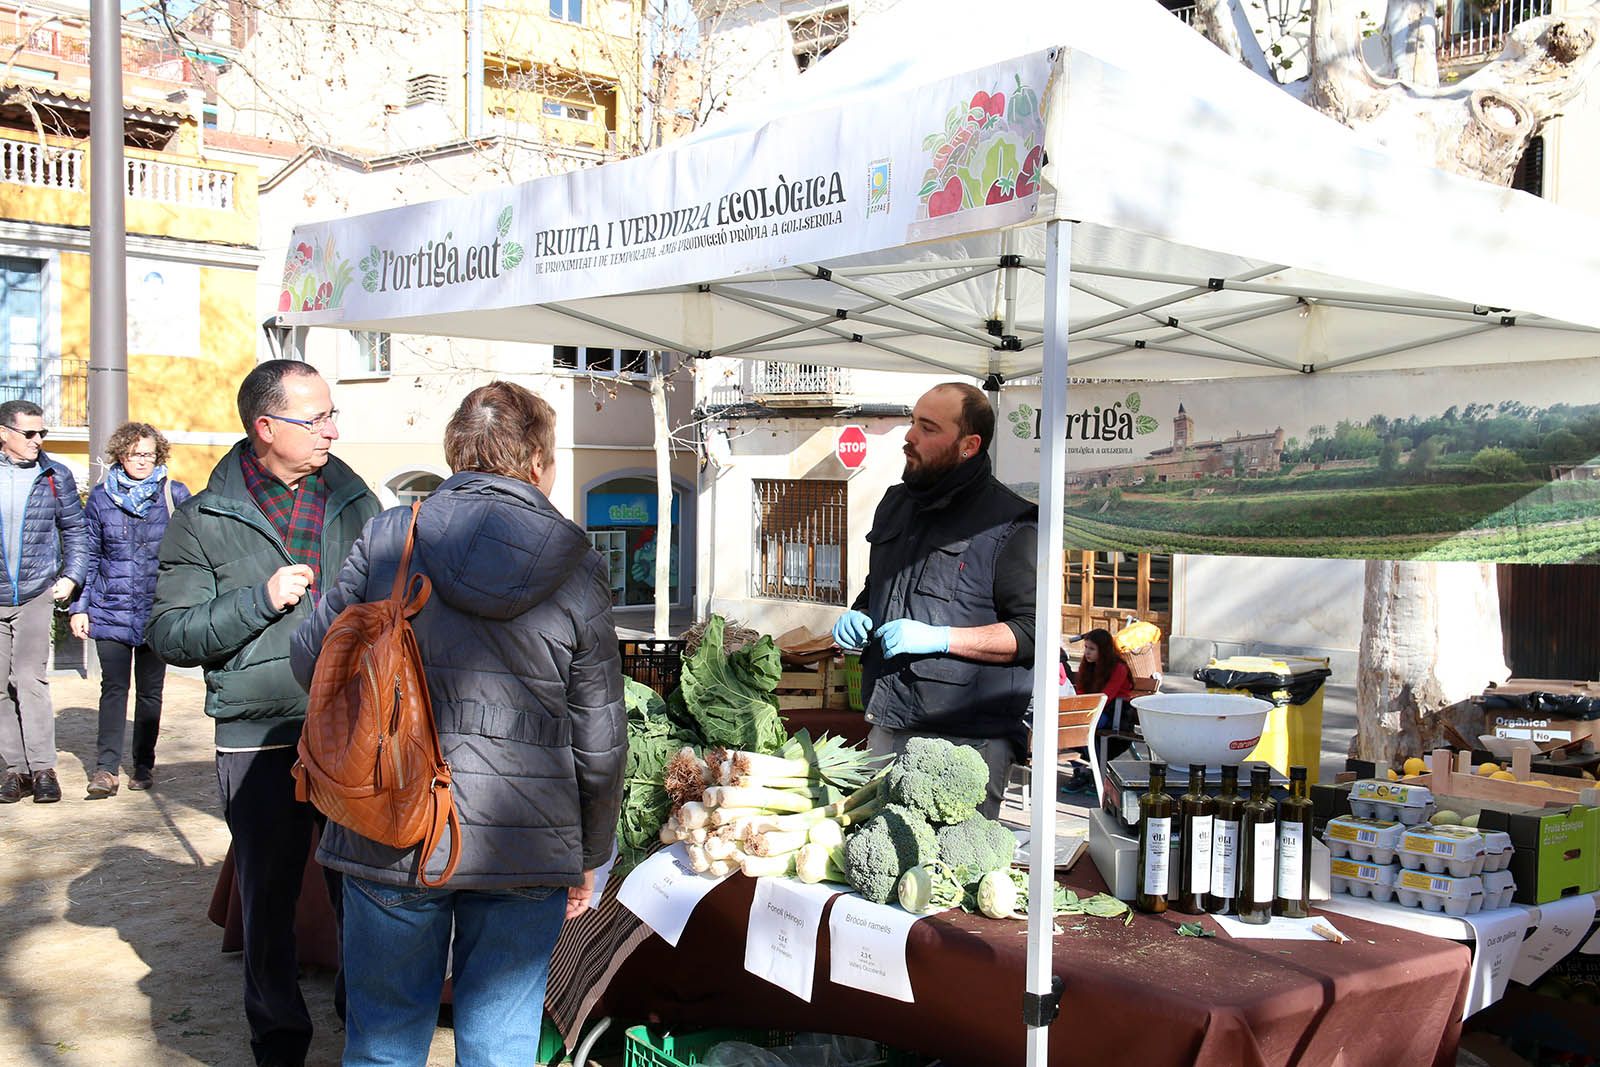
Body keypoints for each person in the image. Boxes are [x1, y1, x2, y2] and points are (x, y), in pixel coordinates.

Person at [289, 381, 626, 1067]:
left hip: (391, 823)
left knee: (383, 1046)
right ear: (536, 460)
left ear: (455, 449)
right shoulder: (578, 564)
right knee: (500, 1051)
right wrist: (591, 853)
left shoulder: (391, 535)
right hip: (524, 841)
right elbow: (601, 735)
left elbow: (308, 661)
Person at [147, 360, 378, 1067]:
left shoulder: (356, 499)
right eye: (317, 419)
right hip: (258, 739)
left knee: (362, 898)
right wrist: (260, 599)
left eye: (333, 414)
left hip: (349, 732)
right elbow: (170, 632)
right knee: (269, 907)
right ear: (266, 427)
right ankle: (278, 1044)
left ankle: (365, 1028)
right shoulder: (201, 519)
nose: (333, 430)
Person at [831, 382, 1037, 818]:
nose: (909, 436)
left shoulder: (1011, 522)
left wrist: (940, 638)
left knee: (950, 881)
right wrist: (860, 614)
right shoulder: (894, 505)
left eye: (927, 428)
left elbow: (1031, 633)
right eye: (912, 423)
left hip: (967, 743)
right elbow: (879, 587)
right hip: (888, 725)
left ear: (968, 445)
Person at [69, 422, 191, 797]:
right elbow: (90, 554)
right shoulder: (103, 497)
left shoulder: (174, 494)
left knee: (150, 693)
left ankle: (143, 765)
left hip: (157, 612)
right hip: (111, 609)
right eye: (136, 453)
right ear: (121, 454)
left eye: (149, 454)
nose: (142, 460)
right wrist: (80, 606)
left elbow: (193, 551)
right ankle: (106, 769)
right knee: (113, 689)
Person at [0, 399, 88, 805]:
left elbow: (76, 530)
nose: (38, 440)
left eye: (42, 433)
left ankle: (43, 768)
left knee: (30, 679)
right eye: (30, 433)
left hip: (35, 591)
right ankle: (14, 771)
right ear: (4, 433)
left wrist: (71, 576)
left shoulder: (55, 475)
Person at [1073, 628, 1136, 704]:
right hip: (1092, 706)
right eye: (1086, 647)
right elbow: (1081, 690)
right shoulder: (1087, 665)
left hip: (1115, 709)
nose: (1087, 652)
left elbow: (1106, 696)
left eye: (1092, 649)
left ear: (1103, 650)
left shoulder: (1119, 667)